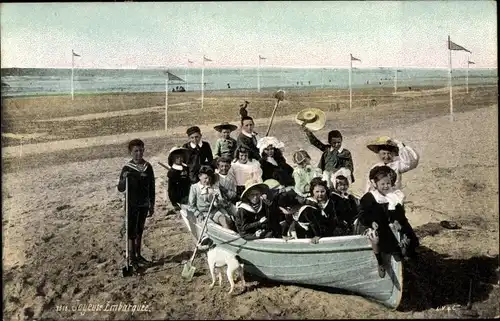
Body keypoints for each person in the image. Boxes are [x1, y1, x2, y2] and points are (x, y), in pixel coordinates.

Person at [357, 165, 420, 278]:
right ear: (376, 184)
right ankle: (380, 262)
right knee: (377, 236)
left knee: (405, 233)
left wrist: (397, 220)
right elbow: (363, 215)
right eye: (382, 184)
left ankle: (405, 255)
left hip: (388, 224)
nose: (386, 186)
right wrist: (371, 222)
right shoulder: (369, 197)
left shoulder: (392, 196)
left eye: (388, 184)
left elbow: (399, 213)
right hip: (372, 225)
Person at [117, 139, 155, 268]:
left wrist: (152, 204)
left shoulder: (148, 167)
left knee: (140, 230)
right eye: (136, 151)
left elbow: (152, 188)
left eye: (141, 150)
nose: (139, 154)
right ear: (130, 152)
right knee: (131, 231)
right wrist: (123, 178)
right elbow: (121, 188)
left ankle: (139, 255)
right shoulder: (127, 168)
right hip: (131, 205)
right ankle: (131, 258)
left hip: (144, 204)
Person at [301, 124, 354, 189]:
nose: (337, 145)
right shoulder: (327, 149)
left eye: (339, 142)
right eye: (334, 143)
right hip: (326, 177)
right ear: (329, 142)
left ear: (341, 140)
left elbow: (349, 167)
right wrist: (307, 132)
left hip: (339, 179)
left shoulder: (345, 153)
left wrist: (337, 173)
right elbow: (315, 142)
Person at [166, 146, 190, 211]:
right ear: (172, 159)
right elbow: (171, 189)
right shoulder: (172, 172)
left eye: (181, 157)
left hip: (188, 193)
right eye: (177, 157)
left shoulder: (186, 168)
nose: (180, 159)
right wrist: (174, 203)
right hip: (179, 197)